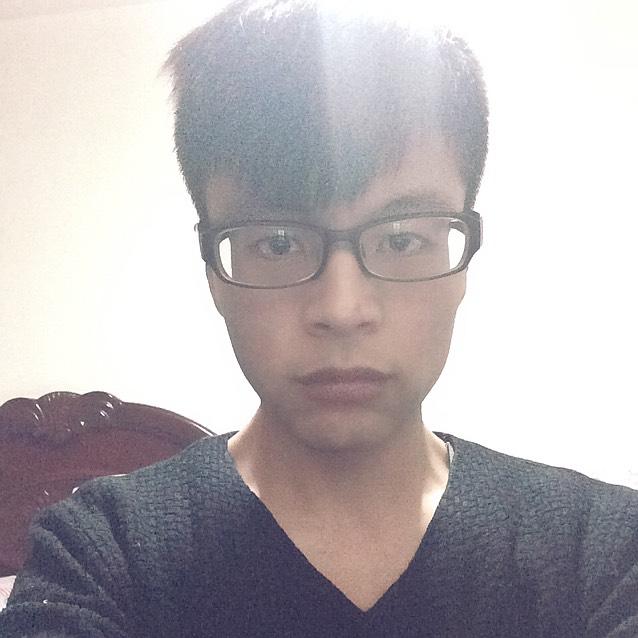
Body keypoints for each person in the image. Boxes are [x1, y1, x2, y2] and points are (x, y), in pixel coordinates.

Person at [2, 1, 638, 636]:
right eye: (277, 243)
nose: (342, 310)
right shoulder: (100, 556)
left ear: (462, 263)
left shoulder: (604, 553)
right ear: (212, 271)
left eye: (402, 239)